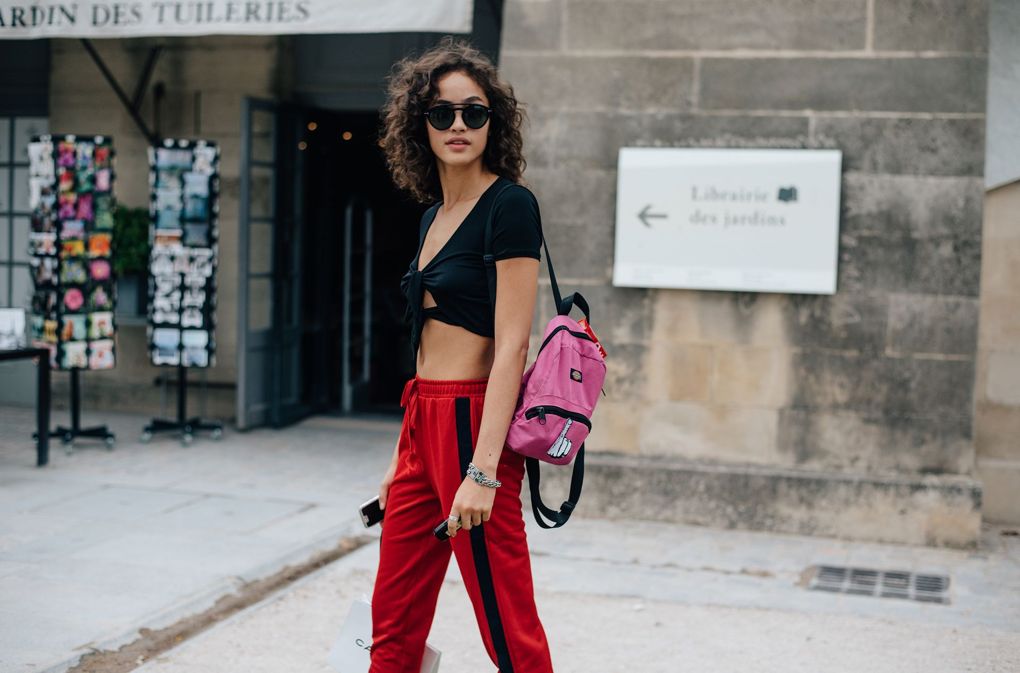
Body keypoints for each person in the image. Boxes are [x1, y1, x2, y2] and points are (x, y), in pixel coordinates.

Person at [370, 36, 554, 673]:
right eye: (442, 113)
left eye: (473, 113)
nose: (457, 125)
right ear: (419, 123)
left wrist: (482, 471)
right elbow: (424, 354)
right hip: (423, 421)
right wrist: (405, 457)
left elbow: (513, 347)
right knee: (391, 622)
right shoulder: (433, 216)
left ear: (493, 122)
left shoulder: (510, 206)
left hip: (475, 423)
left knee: (507, 626)